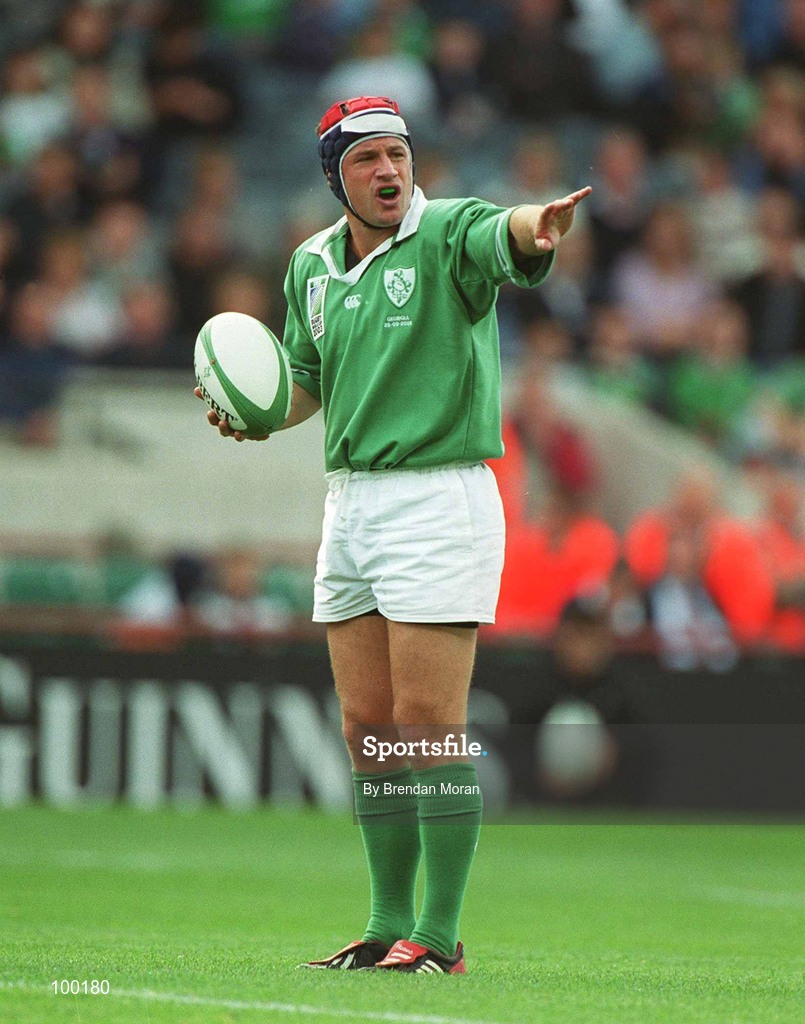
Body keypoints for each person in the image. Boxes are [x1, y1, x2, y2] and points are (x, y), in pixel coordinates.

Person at [194, 95, 589, 974]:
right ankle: (383, 926)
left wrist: (538, 224)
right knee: (368, 725)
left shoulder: (446, 232)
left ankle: (439, 937)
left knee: (426, 723)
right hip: (351, 500)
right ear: (335, 174)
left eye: (397, 156)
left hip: (437, 497)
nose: (388, 172)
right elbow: (302, 378)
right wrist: (253, 414)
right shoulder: (309, 266)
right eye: (367, 159)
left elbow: (507, 232)